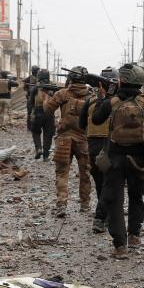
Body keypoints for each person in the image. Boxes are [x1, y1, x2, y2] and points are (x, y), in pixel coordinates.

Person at [92, 63, 144, 259]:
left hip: (114, 158)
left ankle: (120, 246)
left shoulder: (112, 101)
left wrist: (106, 97)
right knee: (137, 196)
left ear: (122, 80)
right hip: (139, 159)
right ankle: (135, 235)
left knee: (115, 201)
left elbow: (96, 119)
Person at [44, 66, 92, 217]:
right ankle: (85, 205)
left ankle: (61, 205)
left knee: (62, 173)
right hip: (84, 140)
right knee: (85, 173)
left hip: (64, 139)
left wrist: (48, 96)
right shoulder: (91, 96)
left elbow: (47, 110)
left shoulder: (63, 93)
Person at [79, 67, 116, 234]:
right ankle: (103, 218)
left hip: (93, 148)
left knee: (101, 183)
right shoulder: (118, 102)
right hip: (112, 147)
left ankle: (104, 216)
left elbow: (82, 125)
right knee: (111, 184)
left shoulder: (91, 101)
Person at [30, 69, 56, 160]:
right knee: (48, 134)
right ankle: (45, 156)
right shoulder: (53, 87)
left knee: (36, 132)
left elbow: (30, 103)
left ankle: (38, 149)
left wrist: (30, 115)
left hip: (38, 112)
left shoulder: (36, 87)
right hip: (50, 113)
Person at [23, 65, 40, 131]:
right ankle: (29, 127)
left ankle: (36, 126)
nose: (38, 72)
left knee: (38, 113)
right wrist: (29, 90)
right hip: (31, 98)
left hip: (38, 98)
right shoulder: (29, 78)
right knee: (30, 113)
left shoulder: (40, 78)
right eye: (37, 70)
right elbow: (24, 85)